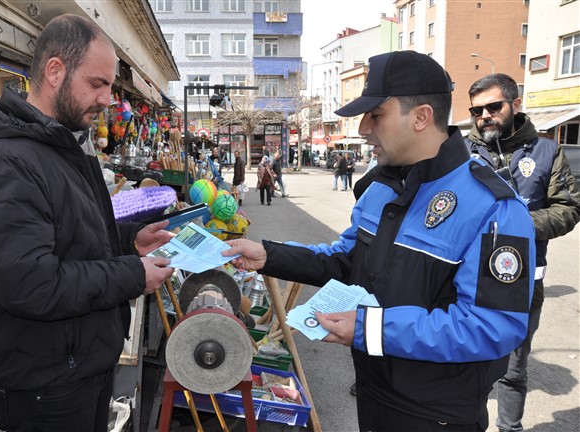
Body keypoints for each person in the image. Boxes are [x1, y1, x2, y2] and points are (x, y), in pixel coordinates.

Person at [223, 50, 536, 431]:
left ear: (421, 116)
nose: (363, 129)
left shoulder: (494, 205)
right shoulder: (380, 187)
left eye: (376, 115)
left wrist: (371, 329)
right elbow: (344, 260)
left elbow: (492, 327)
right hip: (373, 391)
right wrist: (268, 255)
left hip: (436, 415)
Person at [0, 14, 175, 432]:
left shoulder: (59, 147)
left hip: (75, 368)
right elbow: (31, 285)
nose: (106, 99)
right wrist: (131, 275)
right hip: (43, 386)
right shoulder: (4, 164)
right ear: (54, 71)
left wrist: (128, 241)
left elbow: (74, 237)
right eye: (97, 84)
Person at [465, 73, 580, 432]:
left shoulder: (547, 150)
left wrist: (519, 224)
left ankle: (509, 429)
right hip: (465, 280)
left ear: (515, 105)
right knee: (466, 364)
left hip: (524, 282)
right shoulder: (459, 150)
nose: (484, 115)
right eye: (477, 110)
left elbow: (569, 208)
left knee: (513, 369)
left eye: (493, 106)